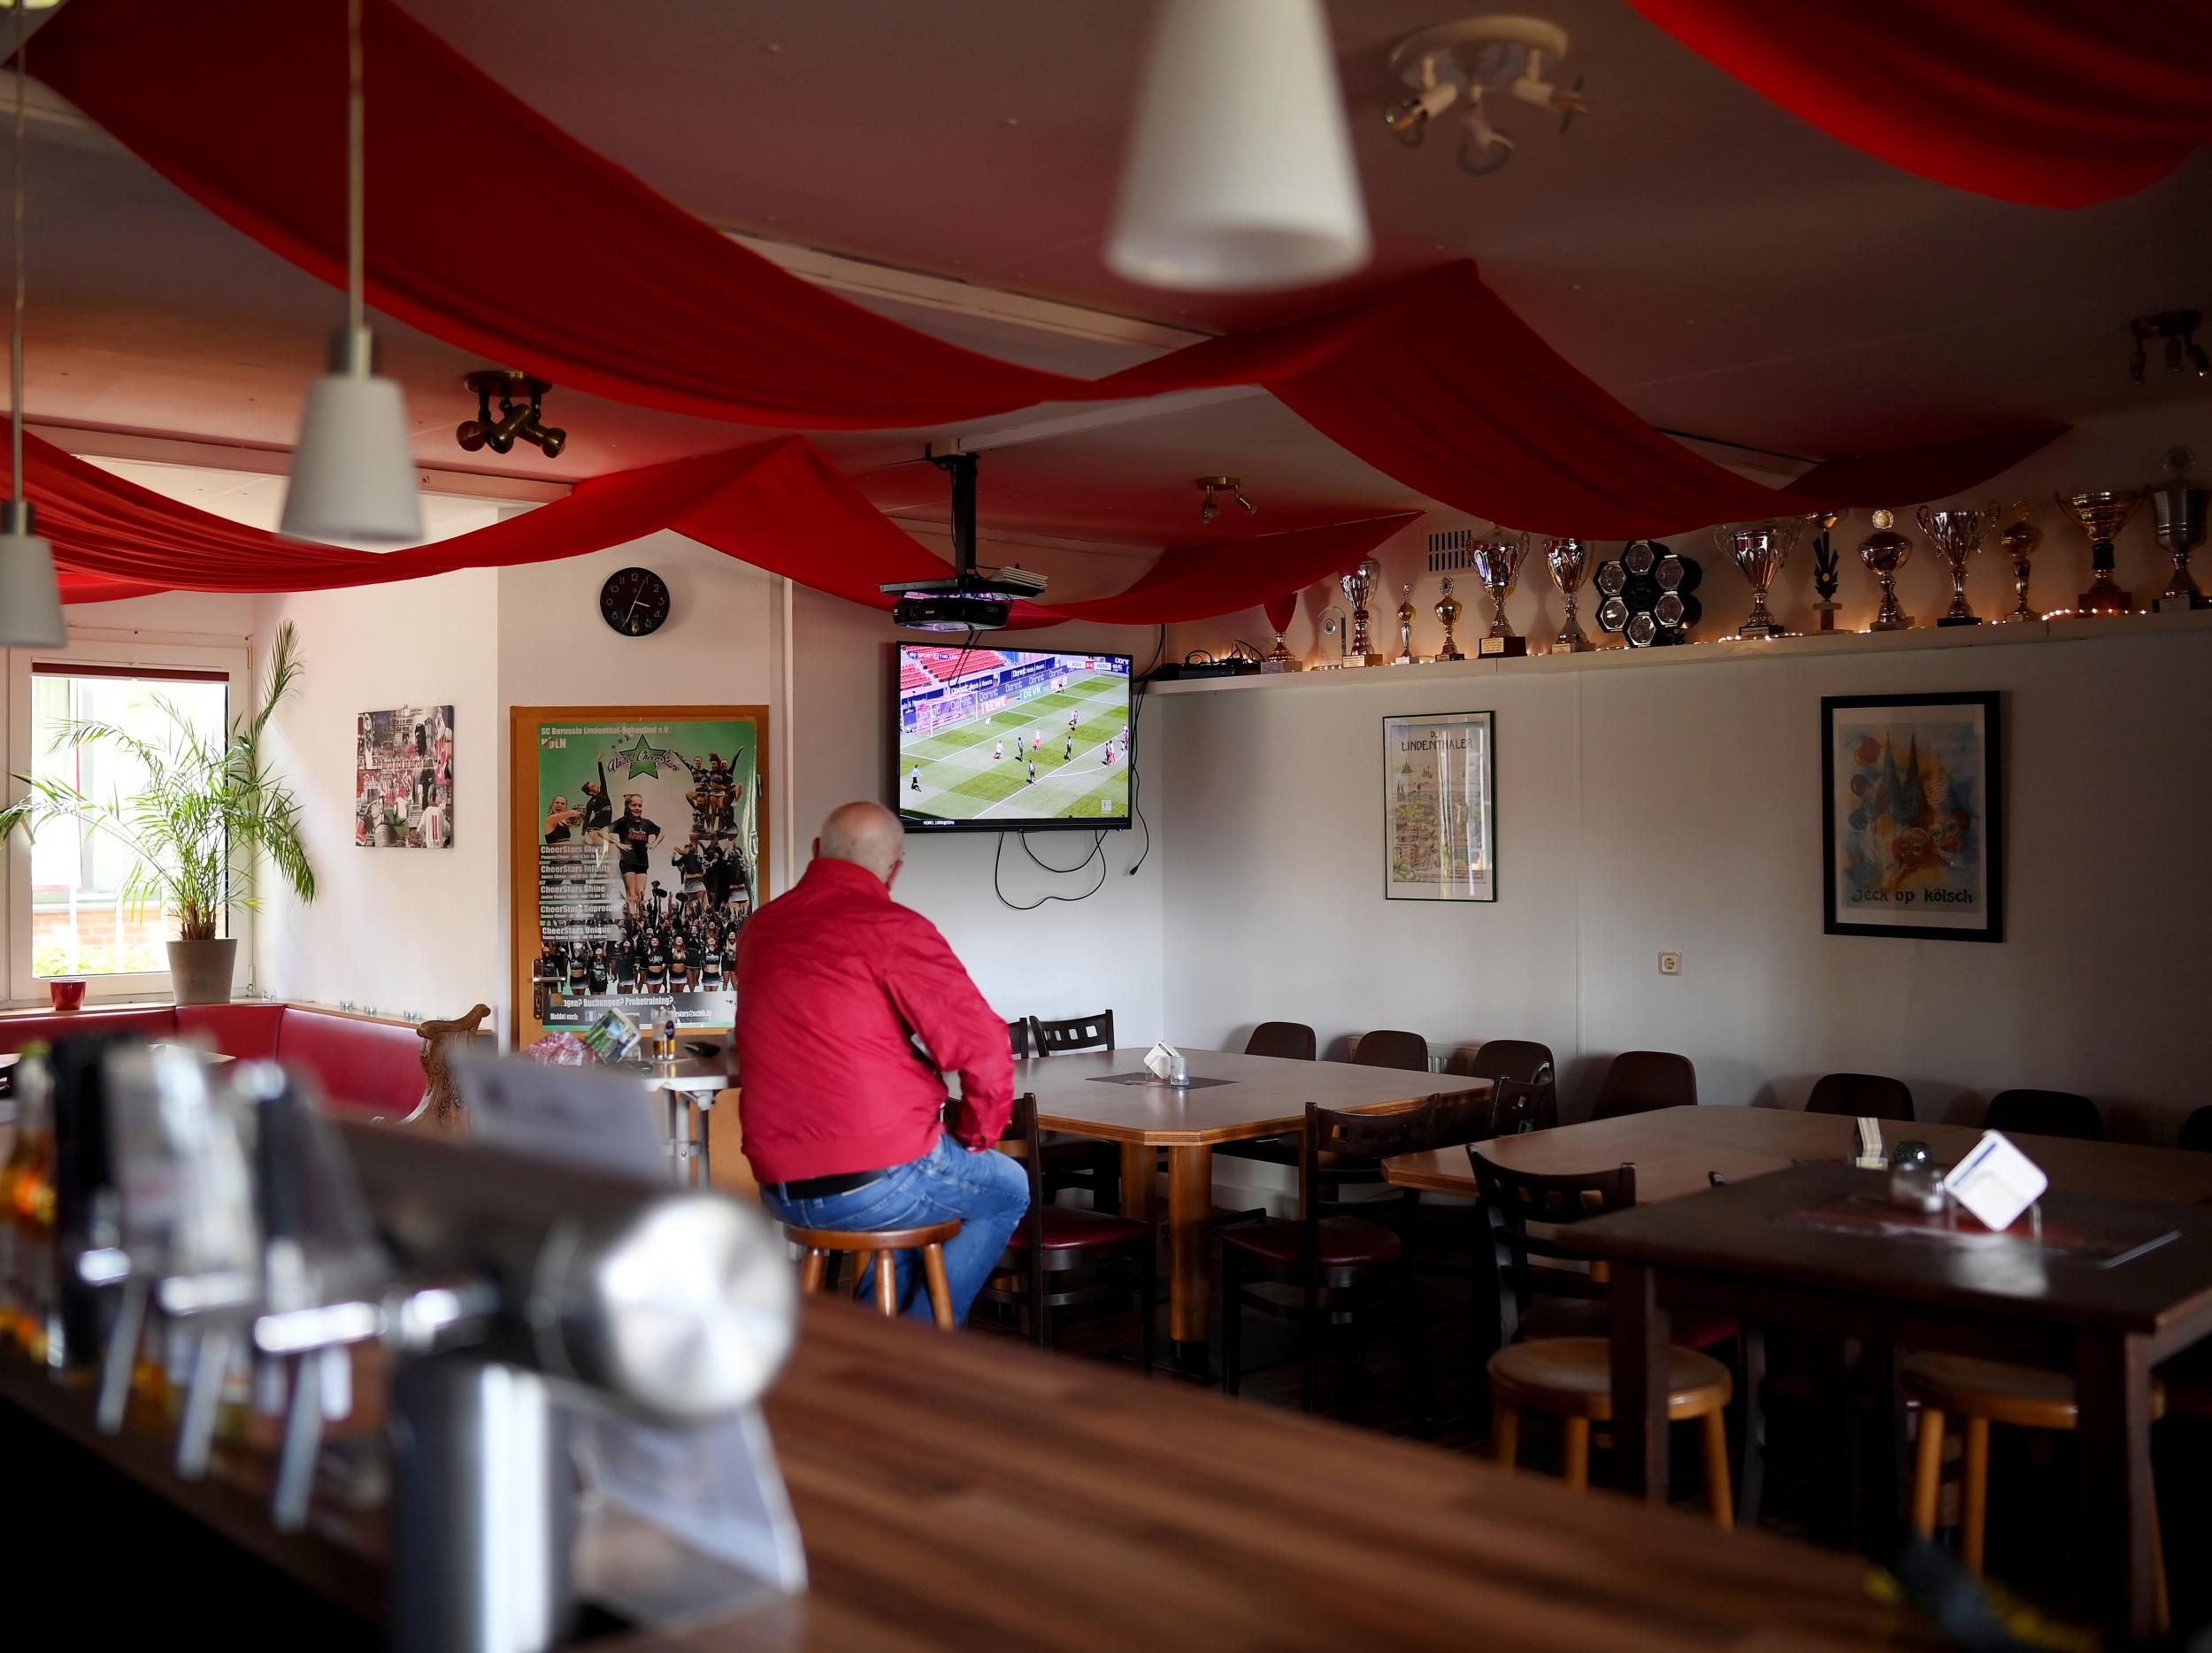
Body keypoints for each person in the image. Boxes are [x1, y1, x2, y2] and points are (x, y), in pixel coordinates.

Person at [738, 802, 1026, 1326]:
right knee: (1009, 1189)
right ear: (895, 870)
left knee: (920, 1177)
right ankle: (914, 1351)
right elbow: (983, 1044)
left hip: (779, 1186)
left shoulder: (760, 929)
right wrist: (976, 1133)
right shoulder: (892, 927)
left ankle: (875, 1348)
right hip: (875, 1180)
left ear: (816, 852)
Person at [614, 795, 663, 919]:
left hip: (642, 862)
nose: (637, 808)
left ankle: (639, 920)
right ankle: (632, 918)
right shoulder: (623, 822)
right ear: (627, 806)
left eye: (639, 805)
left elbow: (661, 832)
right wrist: (618, 844)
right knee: (631, 893)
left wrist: (654, 843)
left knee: (640, 893)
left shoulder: (646, 823)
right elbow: (602, 831)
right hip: (628, 861)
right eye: (633, 805)